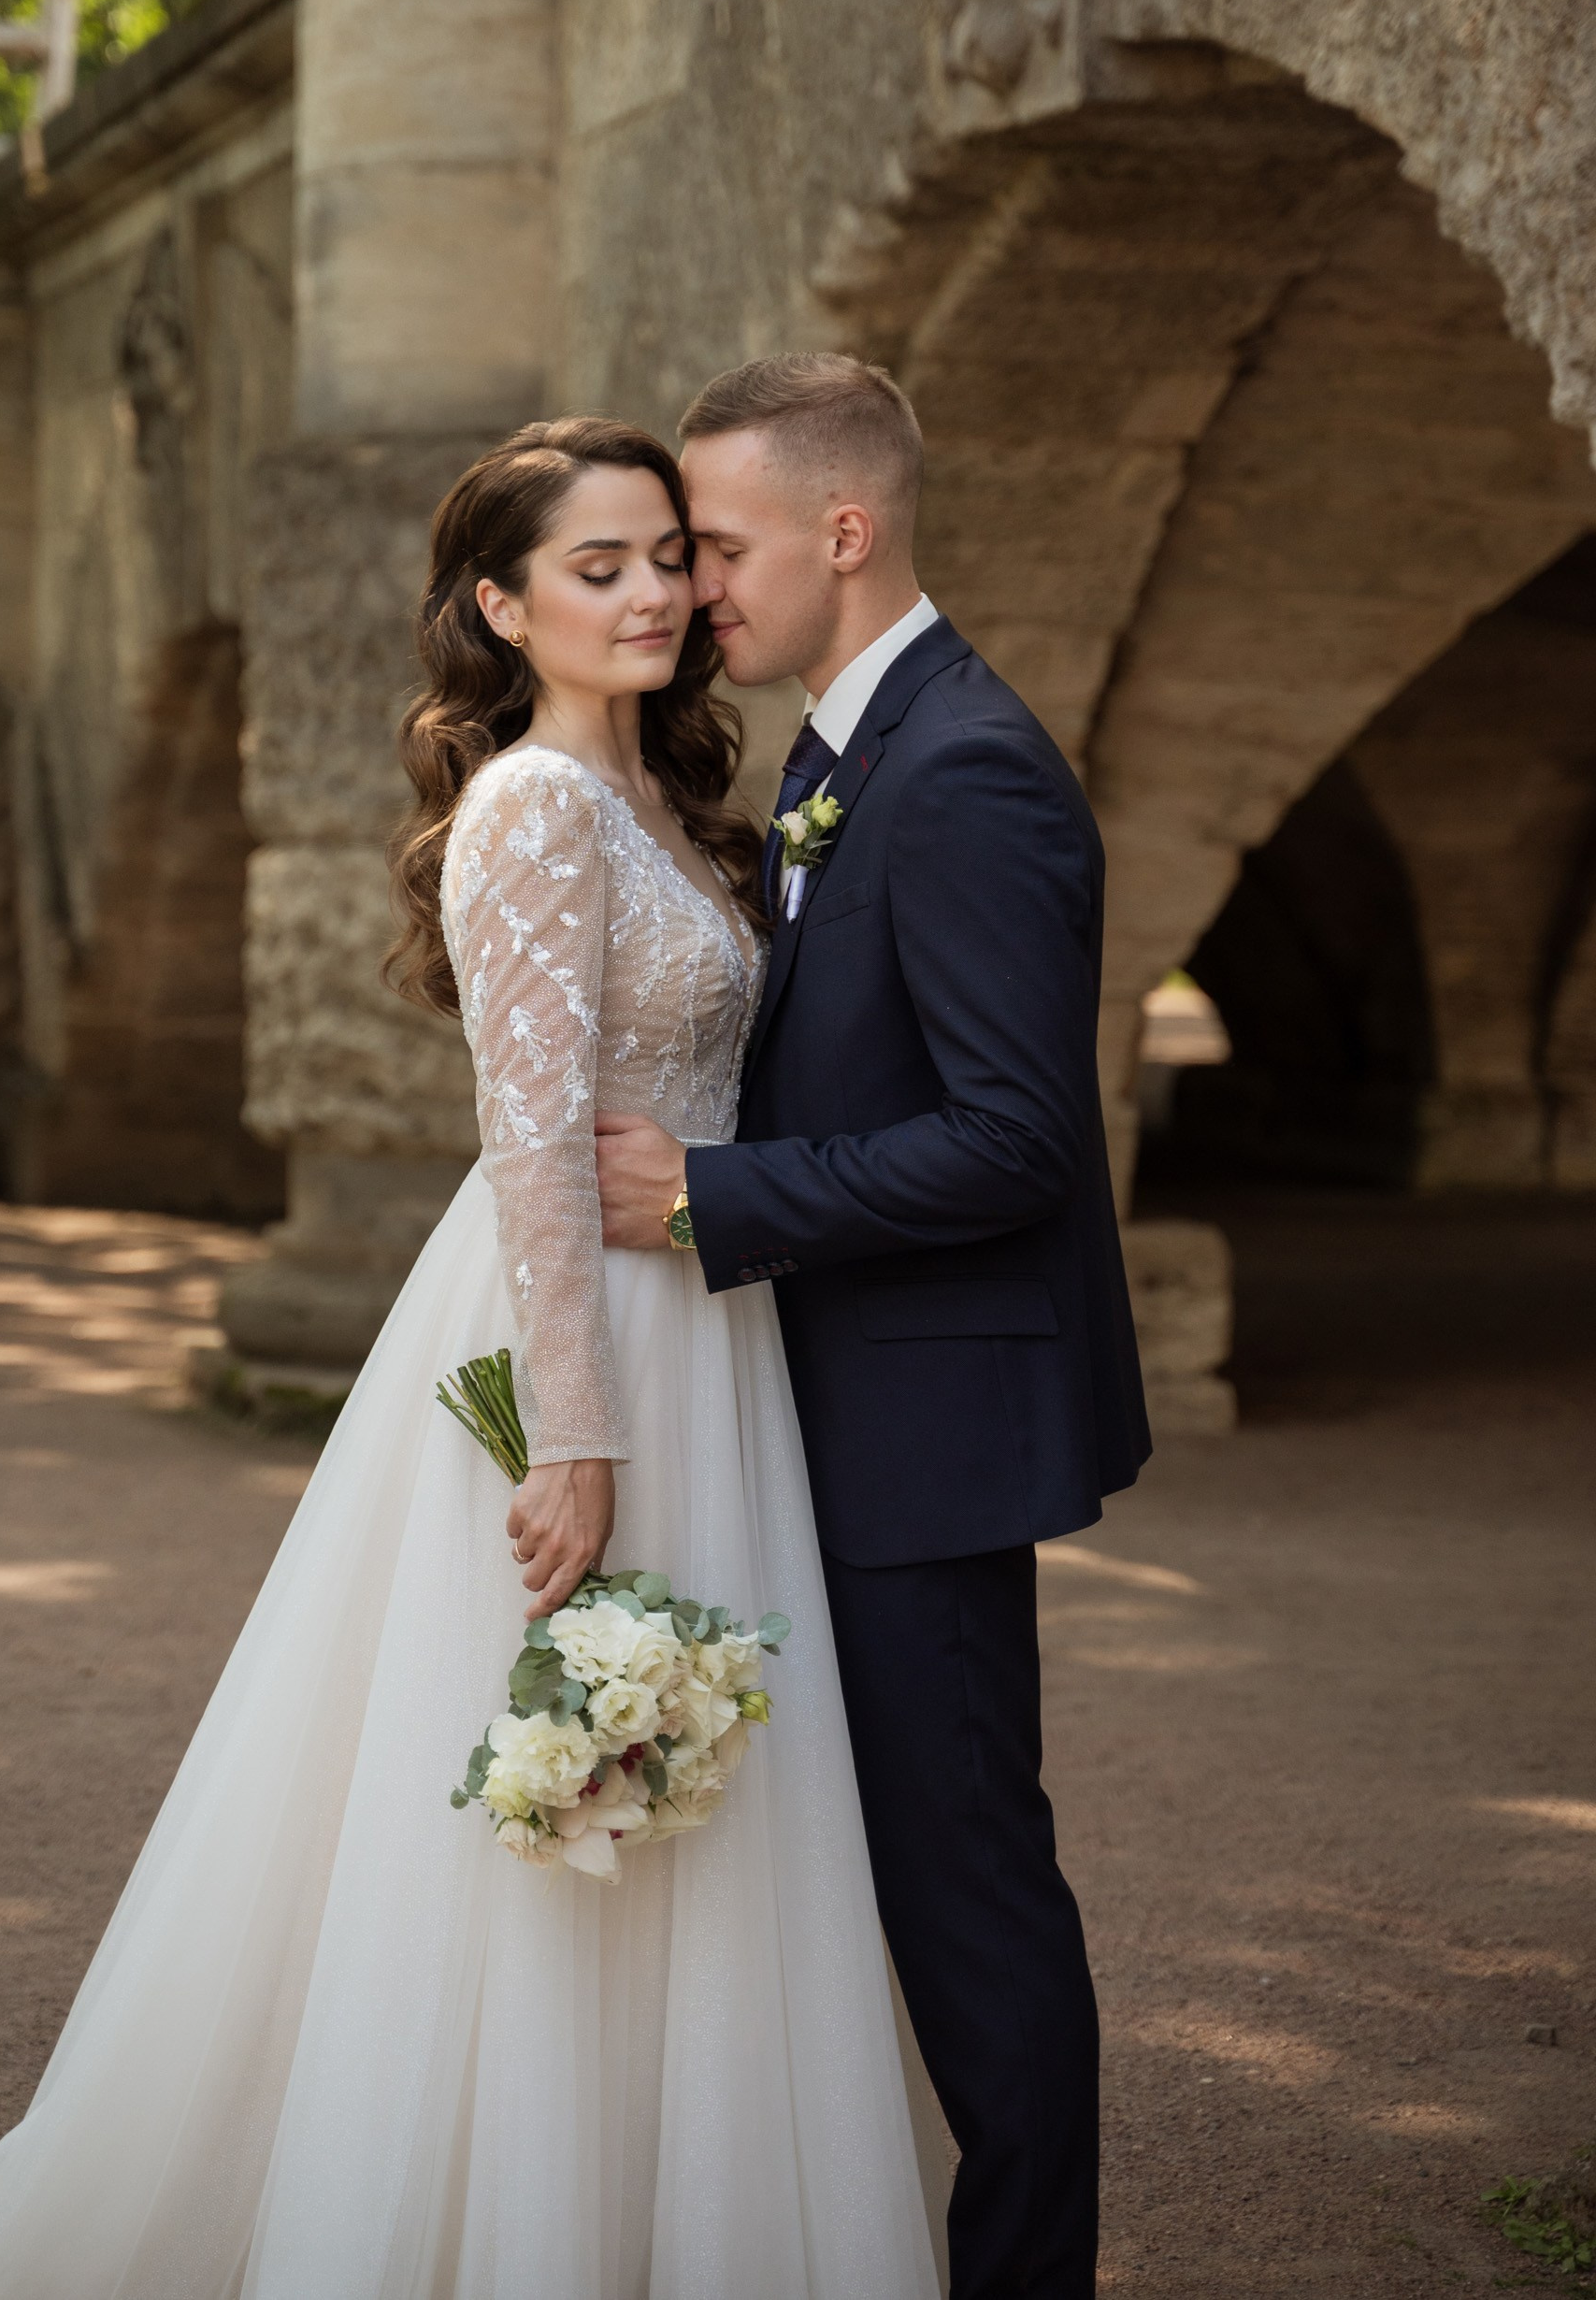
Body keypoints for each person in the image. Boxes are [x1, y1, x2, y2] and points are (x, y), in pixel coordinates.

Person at [0, 417, 945, 2300]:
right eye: (600, 567)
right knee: (564, 1768)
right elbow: (528, 1129)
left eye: (668, 552)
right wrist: (567, 1434)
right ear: (502, 606)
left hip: (713, 1325)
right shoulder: (527, 807)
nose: (655, 589)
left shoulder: (666, 797)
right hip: (574, 1329)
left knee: (705, 1775)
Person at [596, 354, 1151, 2300]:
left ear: (845, 529)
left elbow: (1016, 1136)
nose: (690, 592)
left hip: (924, 1436)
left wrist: (706, 1199)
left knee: (967, 1888)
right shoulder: (841, 755)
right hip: (827, 1406)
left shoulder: (968, 762)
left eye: (718, 546)